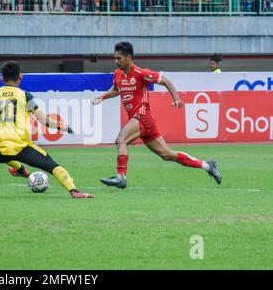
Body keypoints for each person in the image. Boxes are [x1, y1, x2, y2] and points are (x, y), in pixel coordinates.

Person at [0, 61, 94, 199]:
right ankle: (74, 191)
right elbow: (44, 121)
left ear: (1, 78)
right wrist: (63, 126)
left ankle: (20, 170)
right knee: (54, 167)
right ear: (20, 77)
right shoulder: (25, 96)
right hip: (21, 149)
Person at [92, 42, 221, 189]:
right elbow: (116, 90)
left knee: (121, 139)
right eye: (115, 58)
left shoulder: (141, 73)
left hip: (142, 116)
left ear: (128, 57)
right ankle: (207, 165)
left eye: (119, 58)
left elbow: (166, 81)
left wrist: (177, 99)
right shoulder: (118, 74)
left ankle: (121, 176)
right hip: (143, 121)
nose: (116, 61)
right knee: (167, 154)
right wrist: (102, 97)